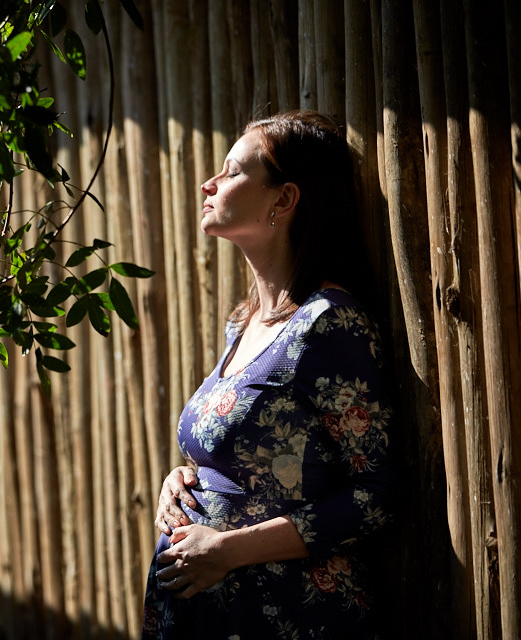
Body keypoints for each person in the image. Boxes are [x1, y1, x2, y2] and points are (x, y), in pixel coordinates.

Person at [141, 110, 394, 639]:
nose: (208, 183)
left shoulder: (329, 323)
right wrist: (181, 483)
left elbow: (375, 495)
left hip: (284, 616)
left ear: (283, 199)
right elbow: (249, 458)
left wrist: (228, 549)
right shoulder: (244, 324)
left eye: (232, 171)